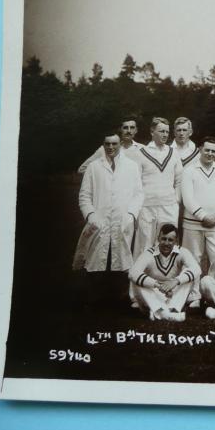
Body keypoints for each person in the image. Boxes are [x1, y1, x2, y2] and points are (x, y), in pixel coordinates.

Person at [74, 130, 144, 304]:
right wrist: (91, 215)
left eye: (114, 143)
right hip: (99, 221)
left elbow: (138, 194)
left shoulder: (131, 166)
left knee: (121, 259)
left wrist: (131, 215)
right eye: (107, 144)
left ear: (120, 144)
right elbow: (84, 195)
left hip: (123, 221)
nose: (111, 147)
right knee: (96, 259)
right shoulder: (94, 167)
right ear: (103, 145)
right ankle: (95, 300)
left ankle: (119, 300)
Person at [180, 137, 215, 307]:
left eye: (213, 151)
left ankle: (214, 294)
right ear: (200, 149)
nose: (210, 154)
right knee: (193, 259)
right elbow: (187, 198)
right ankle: (193, 296)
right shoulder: (189, 170)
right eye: (207, 150)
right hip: (192, 223)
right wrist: (203, 216)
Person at [133, 117, 183, 267]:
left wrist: (176, 201)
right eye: (161, 131)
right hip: (146, 207)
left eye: (167, 132)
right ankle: (140, 279)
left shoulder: (173, 152)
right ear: (152, 131)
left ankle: (166, 277)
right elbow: (135, 183)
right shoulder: (141, 152)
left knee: (168, 243)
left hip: (168, 206)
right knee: (145, 243)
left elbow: (179, 180)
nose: (165, 134)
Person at [128, 223, 200, 321]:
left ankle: (171, 311)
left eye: (170, 240)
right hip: (153, 295)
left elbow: (197, 269)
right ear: (158, 238)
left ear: (176, 241)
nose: (166, 243)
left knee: (189, 274)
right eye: (163, 239)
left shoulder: (182, 252)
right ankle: (161, 312)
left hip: (172, 294)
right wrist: (157, 285)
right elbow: (133, 273)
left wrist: (175, 281)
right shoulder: (149, 253)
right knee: (136, 279)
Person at [78, 116, 142, 173]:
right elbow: (82, 169)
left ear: (136, 130)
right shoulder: (106, 148)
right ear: (120, 129)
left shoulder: (142, 149)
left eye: (132, 128)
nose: (129, 131)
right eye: (125, 128)